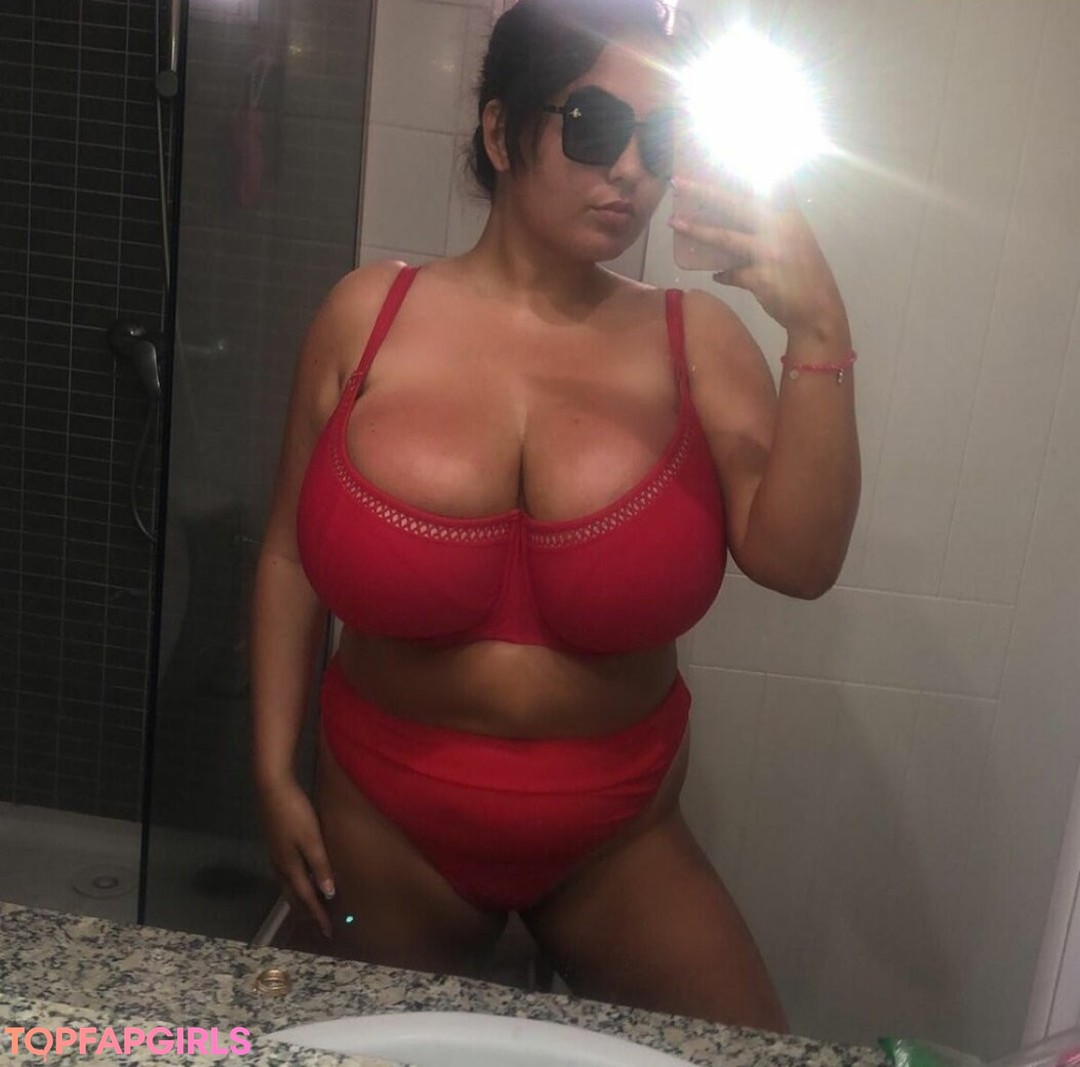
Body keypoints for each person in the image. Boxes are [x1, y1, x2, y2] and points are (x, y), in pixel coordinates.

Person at [251, 0, 858, 1033]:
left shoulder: (698, 340)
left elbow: (799, 562)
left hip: (617, 838)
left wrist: (818, 325)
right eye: (592, 127)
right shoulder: (366, 317)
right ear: (501, 132)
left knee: (752, 1052)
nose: (629, 171)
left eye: (657, 141)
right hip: (385, 826)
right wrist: (271, 767)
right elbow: (288, 557)